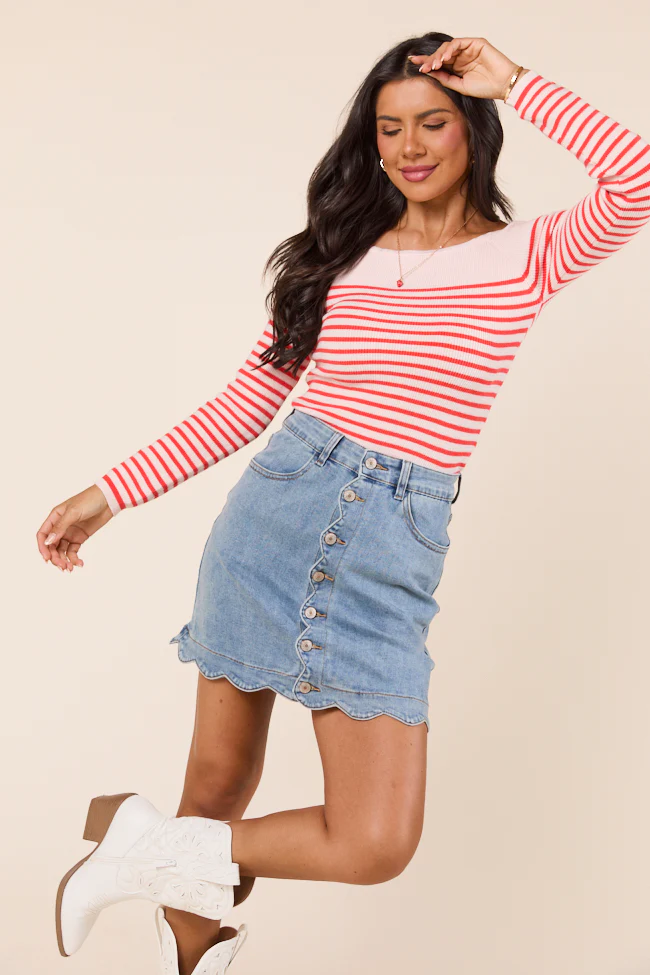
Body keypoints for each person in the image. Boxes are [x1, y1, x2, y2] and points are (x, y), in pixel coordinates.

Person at [37, 32, 650, 975]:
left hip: (391, 550)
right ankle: (186, 951)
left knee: (374, 840)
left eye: (433, 122)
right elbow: (247, 402)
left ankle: (134, 843)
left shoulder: (525, 254)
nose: (410, 147)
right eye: (389, 129)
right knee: (215, 786)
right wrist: (110, 493)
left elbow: (636, 179)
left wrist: (513, 80)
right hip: (275, 519)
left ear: (473, 128)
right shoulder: (338, 257)